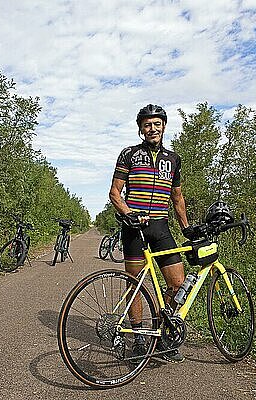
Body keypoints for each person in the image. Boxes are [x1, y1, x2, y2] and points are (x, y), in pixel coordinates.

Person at [109, 103, 191, 363]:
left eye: (157, 124)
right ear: (140, 129)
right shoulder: (129, 154)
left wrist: (187, 228)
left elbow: (177, 198)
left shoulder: (173, 159)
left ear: (164, 126)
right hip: (134, 228)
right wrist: (128, 212)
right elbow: (115, 193)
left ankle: (162, 328)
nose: (152, 128)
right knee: (135, 285)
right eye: (147, 125)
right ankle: (139, 337)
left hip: (161, 227)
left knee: (177, 283)